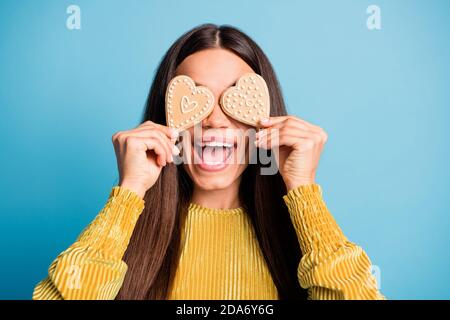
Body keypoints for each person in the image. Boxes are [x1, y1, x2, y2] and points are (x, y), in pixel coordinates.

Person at [33, 24, 384, 300]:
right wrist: (129, 193)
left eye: (234, 98)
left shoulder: (295, 240)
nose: (215, 120)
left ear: (267, 117)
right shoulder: (130, 241)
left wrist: (303, 189)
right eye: (195, 98)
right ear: (164, 119)